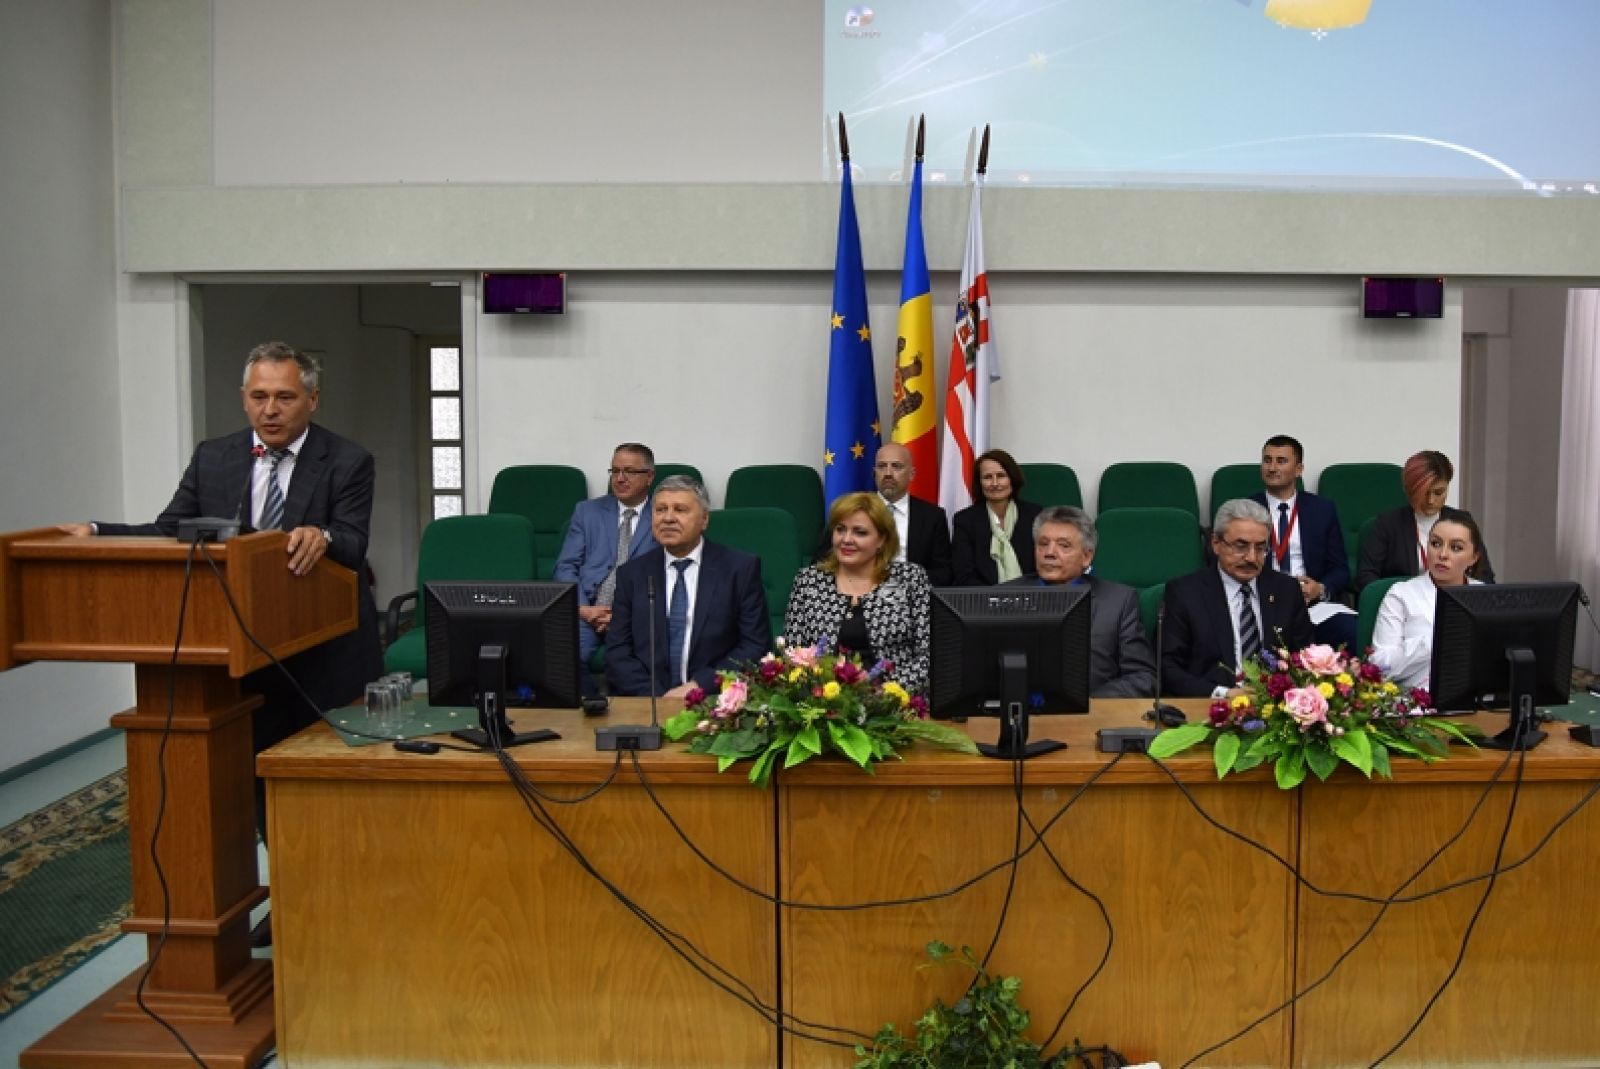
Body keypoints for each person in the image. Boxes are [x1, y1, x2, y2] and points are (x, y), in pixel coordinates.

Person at [58, 340, 382, 947]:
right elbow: (170, 531)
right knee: (256, 780)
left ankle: (344, 901)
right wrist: (98, 531)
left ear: (312, 399)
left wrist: (322, 534)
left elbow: (354, 540)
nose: (270, 410)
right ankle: (290, 899)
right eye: (258, 397)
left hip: (325, 651)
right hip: (240, 651)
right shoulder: (216, 457)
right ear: (243, 398)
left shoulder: (348, 459)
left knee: (322, 782)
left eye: (284, 397)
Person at [605, 474, 771, 697]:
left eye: (680, 510)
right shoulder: (632, 574)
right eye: (660, 510)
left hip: (713, 698)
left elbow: (754, 646)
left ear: (704, 519)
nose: (668, 518)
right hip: (647, 700)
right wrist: (658, 699)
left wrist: (697, 687)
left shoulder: (739, 570)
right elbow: (617, 652)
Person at [1162, 498, 1315, 698]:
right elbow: (1167, 668)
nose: (1251, 558)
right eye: (1241, 546)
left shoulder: (1286, 590)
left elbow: (1305, 658)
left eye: (1260, 548)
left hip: (1275, 705)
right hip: (1211, 704)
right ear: (1216, 543)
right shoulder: (1185, 593)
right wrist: (1223, 694)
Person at [786, 491, 932, 692]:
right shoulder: (809, 581)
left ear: (882, 540)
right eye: (840, 529)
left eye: (860, 532)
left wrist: (885, 692)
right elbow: (792, 654)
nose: (846, 539)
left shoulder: (909, 579)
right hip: (824, 700)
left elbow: (929, 656)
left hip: (896, 699)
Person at [1003, 506, 1154, 698]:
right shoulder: (1004, 596)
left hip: (1093, 710)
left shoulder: (1118, 602)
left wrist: (1090, 704)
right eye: (1043, 544)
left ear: (1086, 557)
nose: (1049, 553)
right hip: (1020, 710)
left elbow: (1143, 677)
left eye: (1064, 546)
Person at [552, 443, 659, 678]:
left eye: (629, 471)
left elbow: (664, 576)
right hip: (586, 609)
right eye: (615, 471)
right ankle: (588, 699)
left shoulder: (662, 516)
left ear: (649, 477)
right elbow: (566, 566)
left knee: (626, 667)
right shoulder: (587, 512)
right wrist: (583, 609)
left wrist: (623, 617)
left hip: (634, 617)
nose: (620, 478)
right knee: (566, 660)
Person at [1247, 434, 1356, 650]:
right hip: (1262, 601)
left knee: (1349, 629)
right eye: (1267, 460)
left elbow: (1340, 569)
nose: (1272, 468)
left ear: (1299, 469)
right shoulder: (1246, 509)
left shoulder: (1322, 510)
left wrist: (1320, 589)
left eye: (1281, 461)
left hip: (1310, 604)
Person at [1370, 513, 1487, 691]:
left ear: (1474, 557)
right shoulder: (1401, 594)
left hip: (1478, 698)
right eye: (1436, 544)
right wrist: (1435, 640)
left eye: (1456, 548)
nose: (1442, 554)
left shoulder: (1485, 596)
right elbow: (1379, 667)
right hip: (1417, 700)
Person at [1356, 450, 1495, 592]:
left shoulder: (1463, 522)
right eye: (1423, 493)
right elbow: (1366, 578)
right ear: (1409, 490)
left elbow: (1485, 576)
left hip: (1454, 600)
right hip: (1407, 602)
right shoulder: (1387, 524)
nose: (1431, 501)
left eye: (1439, 492)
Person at [817, 442, 951, 585]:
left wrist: (903, 582)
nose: (888, 473)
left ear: (912, 474)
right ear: (874, 473)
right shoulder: (850, 510)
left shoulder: (932, 516)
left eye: (896, 466)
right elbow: (822, 562)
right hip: (856, 589)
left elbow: (944, 573)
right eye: (882, 466)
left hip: (910, 592)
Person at [951, 449, 1041, 585]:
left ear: (1012, 478)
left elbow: (1044, 567)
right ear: (979, 483)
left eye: (1001, 476)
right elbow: (963, 574)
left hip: (1032, 594)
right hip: (982, 596)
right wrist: (993, 596)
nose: (994, 483)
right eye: (987, 477)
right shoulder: (965, 520)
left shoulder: (1035, 515)